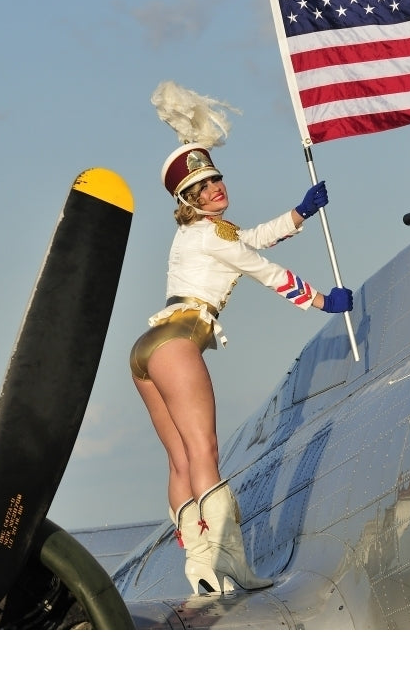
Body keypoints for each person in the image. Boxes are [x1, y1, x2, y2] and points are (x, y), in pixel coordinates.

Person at [129, 140, 353, 595]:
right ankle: (227, 561)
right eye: (202, 187)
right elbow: (261, 268)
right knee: (204, 452)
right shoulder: (211, 235)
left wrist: (298, 214)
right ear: (187, 199)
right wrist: (321, 300)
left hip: (146, 349)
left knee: (180, 461)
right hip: (177, 343)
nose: (214, 188)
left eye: (214, 179)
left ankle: (201, 567)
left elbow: (246, 240)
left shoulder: (200, 234)